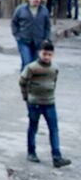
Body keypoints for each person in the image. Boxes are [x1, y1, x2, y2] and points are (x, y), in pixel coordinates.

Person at [20, 40, 71, 168]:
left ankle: (56, 156)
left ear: (53, 55)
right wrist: (26, 97)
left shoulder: (54, 68)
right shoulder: (32, 68)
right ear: (39, 53)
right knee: (33, 127)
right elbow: (22, 81)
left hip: (50, 103)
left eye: (49, 54)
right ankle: (31, 152)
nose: (47, 57)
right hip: (35, 103)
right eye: (44, 54)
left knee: (54, 129)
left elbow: (54, 82)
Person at [12, 0, 51, 69]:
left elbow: (47, 26)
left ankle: (27, 79)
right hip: (24, 40)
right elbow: (14, 23)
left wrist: (46, 39)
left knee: (35, 63)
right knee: (27, 61)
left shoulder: (44, 11)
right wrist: (17, 35)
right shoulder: (21, 9)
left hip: (39, 42)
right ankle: (25, 79)